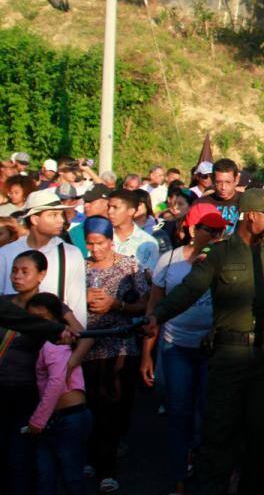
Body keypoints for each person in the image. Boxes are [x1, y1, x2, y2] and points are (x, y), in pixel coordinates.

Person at [146, 188, 264, 495]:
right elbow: (187, 291)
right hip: (228, 357)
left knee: (260, 434)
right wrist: (156, 316)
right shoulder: (219, 255)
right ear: (251, 217)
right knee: (219, 434)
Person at [141, 204, 222, 495]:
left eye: (220, 230)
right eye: (208, 229)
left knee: (207, 412)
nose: (215, 234)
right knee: (179, 411)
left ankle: (202, 471)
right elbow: (155, 307)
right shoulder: (168, 260)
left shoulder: (223, 260)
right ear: (191, 229)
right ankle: (178, 476)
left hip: (213, 347)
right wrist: (147, 354)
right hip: (176, 345)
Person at [81, 215, 149, 493]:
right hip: (85, 345)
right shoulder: (79, 268)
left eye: (100, 243)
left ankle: (107, 468)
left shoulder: (128, 266)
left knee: (113, 403)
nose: (95, 249)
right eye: (90, 244)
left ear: (111, 241)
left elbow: (145, 304)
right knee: (90, 403)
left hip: (119, 344)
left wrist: (117, 304)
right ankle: (93, 455)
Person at [25, 292, 91, 495]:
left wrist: (37, 421)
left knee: (68, 476)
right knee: (49, 476)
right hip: (61, 418)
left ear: (56, 320)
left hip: (67, 418)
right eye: (31, 318)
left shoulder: (54, 344)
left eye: (42, 318)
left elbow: (55, 384)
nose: (36, 323)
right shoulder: (51, 343)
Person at [0, 189, 88, 324]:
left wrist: (78, 341)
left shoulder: (70, 254)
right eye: (53, 215)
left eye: (61, 215)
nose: (61, 220)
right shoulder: (6, 253)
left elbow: (78, 306)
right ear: (35, 219)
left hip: (56, 339)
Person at [106, 189, 160, 272]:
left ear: (131, 211)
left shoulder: (148, 243)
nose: (109, 212)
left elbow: (149, 278)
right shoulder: (102, 238)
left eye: (115, 207)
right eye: (108, 207)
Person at [197, 158, 242, 234]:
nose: (223, 187)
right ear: (212, 179)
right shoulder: (202, 204)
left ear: (236, 179)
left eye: (228, 182)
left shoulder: (246, 201)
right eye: (219, 182)